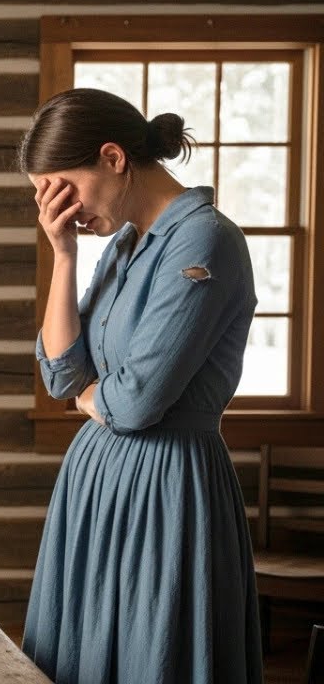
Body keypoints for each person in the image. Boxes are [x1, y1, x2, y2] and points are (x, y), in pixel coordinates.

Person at [18, 88, 261, 682]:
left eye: (64, 189)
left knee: (153, 653)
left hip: (169, 483)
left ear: (113, 157)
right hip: (96, 481)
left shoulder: (205, 240)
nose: (60, 209)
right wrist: (64, 256)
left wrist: (92, 397)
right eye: (45, 197)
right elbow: (62, 375)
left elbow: (135, 402)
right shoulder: (122, 244)